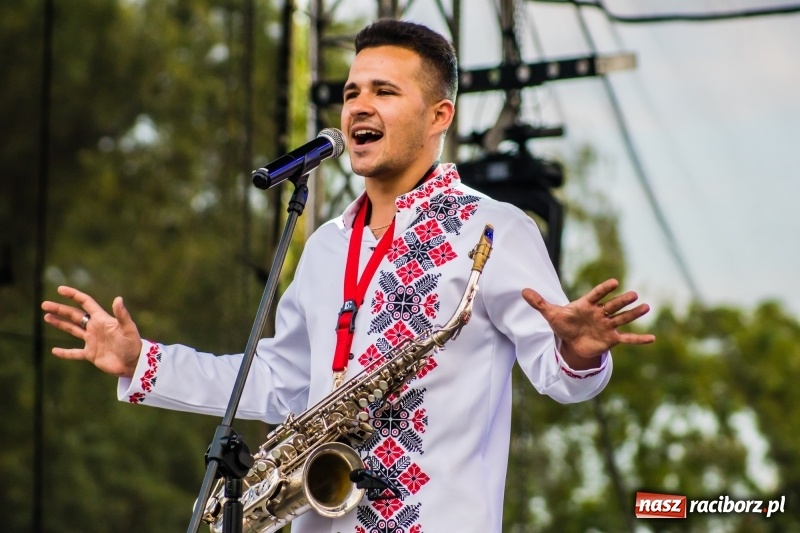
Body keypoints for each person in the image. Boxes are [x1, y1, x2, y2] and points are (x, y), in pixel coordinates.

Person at [42, 19, 655, 533]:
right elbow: (280, 383)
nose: (360, 105)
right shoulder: (327, 246)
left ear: (439, 115)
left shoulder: (493, 229)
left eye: (385, 91)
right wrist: (143, 361)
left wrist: (578, 350)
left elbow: (561, 379)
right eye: (352, 91)